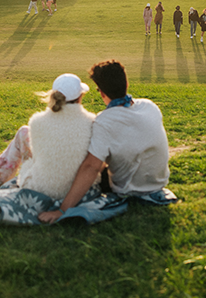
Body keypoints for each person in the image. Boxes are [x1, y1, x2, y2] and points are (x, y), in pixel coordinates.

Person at [38, 60, 170, 224]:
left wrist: (62, 210)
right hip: (157, 184)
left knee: (93, 164)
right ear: (126, 83)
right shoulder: (150, 106)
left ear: (101, 93)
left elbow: (91, 167)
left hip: (129, 189)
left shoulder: (104, 121)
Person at [0, 73, 96, 200]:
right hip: (80, 190)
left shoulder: (37, 121)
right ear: (80, 97)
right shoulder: (91, 121)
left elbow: (37, 157)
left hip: (40, 189)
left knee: (24, 133)